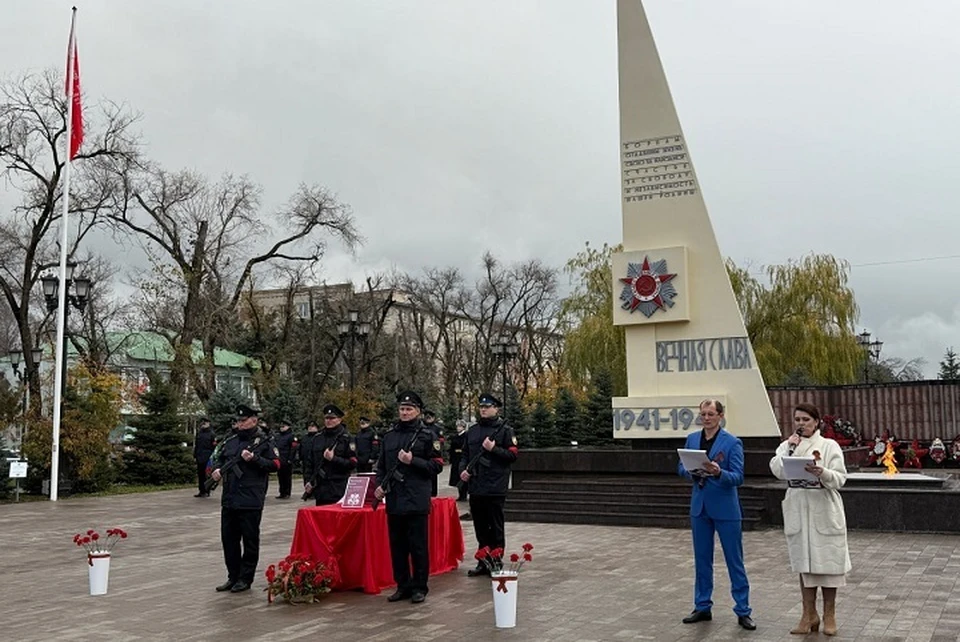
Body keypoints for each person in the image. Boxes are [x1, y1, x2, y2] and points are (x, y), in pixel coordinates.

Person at [769, 402, 851, 636]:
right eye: (797, 420)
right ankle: (808, 614)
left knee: (828, 566)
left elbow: (840, 478)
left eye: (806, 419)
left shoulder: (828, 445)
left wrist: (822, 472)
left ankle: (829, 615)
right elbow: (776, 469)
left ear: (816, 422)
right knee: (805, 565)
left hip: (823, 508)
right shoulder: (788, 444)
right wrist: (788, 450)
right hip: (799, 507)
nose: (801, 424)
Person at [677, 399, 755, 631]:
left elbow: (738, 477)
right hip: (699, 507)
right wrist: (691, 471)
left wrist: (719, 472)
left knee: (734, 560)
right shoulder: (692, 439)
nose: (707, 418)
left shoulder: (732, 442)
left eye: (711, 414)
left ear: (720, 416)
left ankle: (743, 610)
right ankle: (702, 605)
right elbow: (680, 468)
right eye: (703, 414)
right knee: (702, 560)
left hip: (725, 508)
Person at [374, 391, 443, 604]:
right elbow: (382, 466)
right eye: (402, 409)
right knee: (398, 546)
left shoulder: (427, 435)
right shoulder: (390, 436)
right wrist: (379, 486)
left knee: (418, 546)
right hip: (395, 498)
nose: (404, 412)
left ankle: (419, 587)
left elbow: (437, 465)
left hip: (416, 498)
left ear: (418, 411)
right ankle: (402, 585)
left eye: (409, 409)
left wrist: (413, 460)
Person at [211, 404, 280, 593]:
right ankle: (232, 576)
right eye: (238, 421)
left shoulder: (264, 441)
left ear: (254, 420)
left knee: (249, 540)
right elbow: (220, 459)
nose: (240, 424)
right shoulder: (231, 440)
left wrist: (254, 459)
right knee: (229, 540)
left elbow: (275, 464)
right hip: (230, 498)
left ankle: (245, 578)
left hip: (250, 498)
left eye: (244, 420)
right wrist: (217, 470)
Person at [459, 393, 518, 577]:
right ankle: (483, 561)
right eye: (482, 407)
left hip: (495, 486)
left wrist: (494, 449)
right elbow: (465, 455)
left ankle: (496, 560)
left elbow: (513, 455)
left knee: (495, 525)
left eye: (488, 407)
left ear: (496, 409)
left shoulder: (505, 430)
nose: (484, 409)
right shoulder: (473, 431)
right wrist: (463, 470)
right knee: (480, 525)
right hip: (476, 485)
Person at [302, 404, 356, 505]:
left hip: (338, 487)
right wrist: (308, 481)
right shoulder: (318, 438)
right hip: (320, 488)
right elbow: (309, 462)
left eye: (332, 418)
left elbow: (352, 463)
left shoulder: (346, 438)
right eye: (326, 418)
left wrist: (334, 458)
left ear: (339, 419)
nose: (329, 421)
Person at [273, 419, 297, 499]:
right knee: (280, 477)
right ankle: (282, 492)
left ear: (288, 427)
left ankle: (287, 493)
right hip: (280, 460)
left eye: (284, 426)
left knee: (287, 477)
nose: (282, 428)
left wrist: (290, 459)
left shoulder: (291, 436)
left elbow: (293, 448)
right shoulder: (278, 436)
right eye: (281, 426)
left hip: (287, 460)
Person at [193, 417, 216, 498]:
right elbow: (197, 445)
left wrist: (213, 458)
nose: (203, 424)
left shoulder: (212, 434)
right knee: (200, 474)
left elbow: (214, 447)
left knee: (207, 475)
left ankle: (207, 490)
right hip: (200, 456)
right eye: (202, 423)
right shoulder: (199, 433)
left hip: (208, 457)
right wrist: (195, 455)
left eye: (205, 423)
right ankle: (201, 490)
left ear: (208, 423)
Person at [423, 409, 443, 497]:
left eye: (430, 417)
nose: (428, 418)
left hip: (433, 453)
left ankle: (433, 492)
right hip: (423, 454)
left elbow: (440, 441)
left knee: (433, 475)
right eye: (426, 417)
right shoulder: (422, 427)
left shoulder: (437, 428)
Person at [448, 419, 468, 502]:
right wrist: (451, 458)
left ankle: (464, 494)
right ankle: (460, 494)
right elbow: (452, 448)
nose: (458, 428)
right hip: (456, 458)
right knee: (456, 477)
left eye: (460, 426)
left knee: (462, 476)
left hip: (462, 458)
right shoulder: (455, 437)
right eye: (457, 426)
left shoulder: (466, 436)